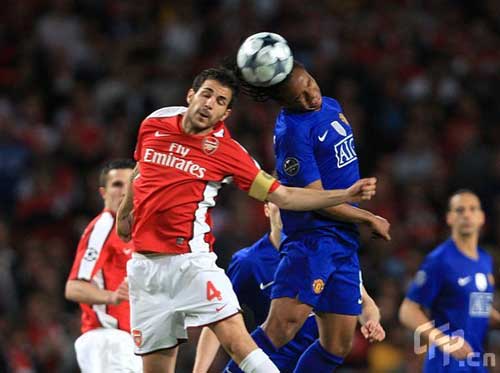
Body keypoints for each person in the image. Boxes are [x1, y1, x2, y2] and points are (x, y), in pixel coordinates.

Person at [116, 67, 378, 373]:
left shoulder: (229, 153)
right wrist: (124, 213)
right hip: (145, 271)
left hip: (191, 263)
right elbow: (141, 169)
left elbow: (287, 197)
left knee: (238, 342)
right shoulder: (154, 122)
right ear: (191, 96)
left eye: (220, 101)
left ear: (225, 113)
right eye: (206, 94)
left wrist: (343, 195)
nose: (210, 104)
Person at [228, 60, 391, 372]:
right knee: (281, 329)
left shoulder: (331, 106)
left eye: (310, 85)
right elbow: (317, 200)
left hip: (343, 239)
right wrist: (367, 217)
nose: (310, 96)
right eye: (299, 97)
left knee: (338, 344)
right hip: (314, 238)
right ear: (286, 103)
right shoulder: (292, 133)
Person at [193, 202, 386, 373]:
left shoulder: (325, 253)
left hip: (314, 363)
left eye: (293, 204)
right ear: (267, 209)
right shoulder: (248, 263)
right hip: (267, 363)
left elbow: (364, 301)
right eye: (281, 203)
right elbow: (219, 318)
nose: (287, 210)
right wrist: (200, 370)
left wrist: (372, 321)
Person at [399, 190, 500, 372]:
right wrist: (443, 340)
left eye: (472, 209)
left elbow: (476, 305)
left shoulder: (485, 260)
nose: (467, 214)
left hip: (475, 359)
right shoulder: (440, 260)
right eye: (460, 210)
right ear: (449, 218)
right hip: (445, 362)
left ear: (482, 217)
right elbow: (407, 309)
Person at [65, 159, 142, 373]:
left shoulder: (135, 231)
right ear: (103, 192)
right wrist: (112, 297)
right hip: (108, 339)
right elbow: (74, 287)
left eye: (130, 183)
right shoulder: (104, 227)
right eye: (117, 184)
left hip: (130, 341)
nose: (124, 191)